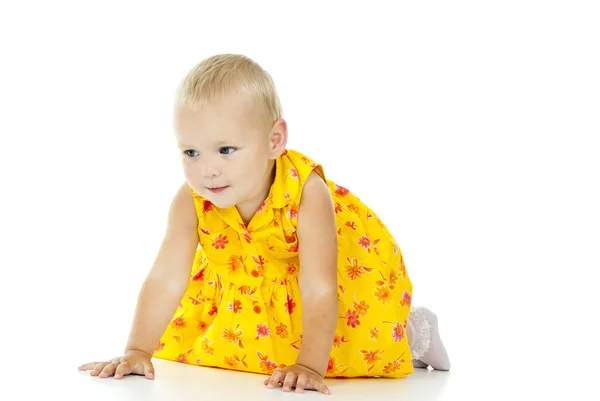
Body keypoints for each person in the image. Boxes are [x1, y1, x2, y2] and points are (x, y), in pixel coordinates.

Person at [78, 54, 451, 395]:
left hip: (322, 288)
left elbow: (320, 287)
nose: (207, 170)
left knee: (358, 350)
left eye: (226, 150)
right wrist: (137, 349)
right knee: (233, 353)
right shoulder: (191, 200)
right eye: (191, 152)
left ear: (274, 140)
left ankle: (416, 331)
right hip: (252, 298)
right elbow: (165, 277)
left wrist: (308, 366)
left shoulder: (307, 193)